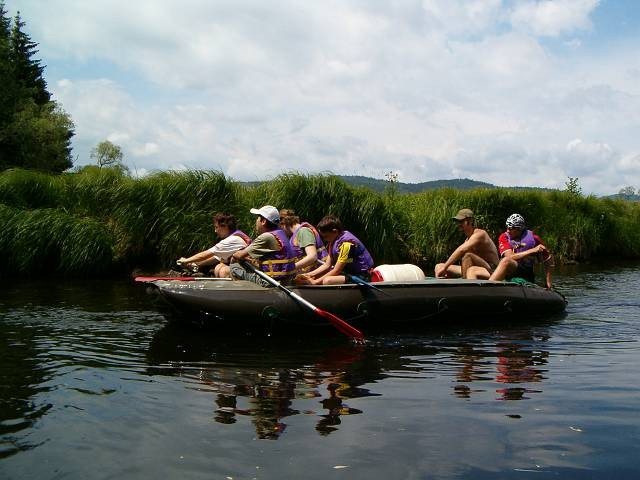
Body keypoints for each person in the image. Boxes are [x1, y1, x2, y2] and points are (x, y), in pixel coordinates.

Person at [228, 205, 297, 287]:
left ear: (263, 221)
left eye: (258, 218)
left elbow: (239, 255)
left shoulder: (266, 237)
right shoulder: (281, 233)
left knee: (234, 266)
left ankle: (242, 293)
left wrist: (234, 256)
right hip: (286, 279)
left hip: (272, 282)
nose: (256, 221)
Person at [298, 215, 374, 285]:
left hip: (361, 276)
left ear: (335, 231)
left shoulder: (346, 244)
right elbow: (327, 265)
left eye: (326, 236)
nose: (325, 239)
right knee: (321, 277)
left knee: (327, 280)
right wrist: (308, 275)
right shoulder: (333, 241)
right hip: (349, 274)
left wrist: (316, 282)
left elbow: (337, 270)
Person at [489, 213, 554, 289]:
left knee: (506, 261)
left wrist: (548, 282)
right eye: (507, 227)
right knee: (505, 261)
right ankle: (486, 286)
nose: (508, 231)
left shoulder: (534, 238)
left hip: (526, 271)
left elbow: (548, 259)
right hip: (511, 268)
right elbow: (509, 257)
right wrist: (532, 250)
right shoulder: (504, 237)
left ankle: (488, 287)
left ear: (519, 229)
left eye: (511, 228)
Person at [176, 212, 251, 277]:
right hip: (246, 268)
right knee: (219, 266)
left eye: (216, 227)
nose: (215, 231)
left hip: (250, 271)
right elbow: (216, 257)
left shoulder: (232, 240)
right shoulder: (235, 236)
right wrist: (196, 264)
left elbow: (205, 254)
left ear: (225, 226)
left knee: (222, 270)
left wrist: (185, 261)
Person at [434, 208, 499, 280]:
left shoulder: (480, 234)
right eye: (457, 221)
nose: (458, 224)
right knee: (439, 266)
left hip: (492, 270)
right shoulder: (467, 240)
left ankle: (464, 284)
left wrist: (445, 267)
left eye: (461, 221)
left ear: (470, 221)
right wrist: (444, 268)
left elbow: (461, 250)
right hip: (476, 268)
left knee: (468, 256)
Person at [279, 209, 328, 273]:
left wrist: (291, 268)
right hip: (312, 274)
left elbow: (312, 256)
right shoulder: (295, 235)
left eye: (280, 227)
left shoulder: (304, 232)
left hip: (321, 273)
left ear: (283, 224)